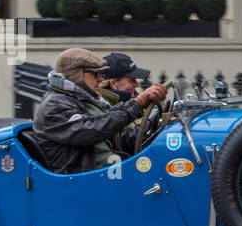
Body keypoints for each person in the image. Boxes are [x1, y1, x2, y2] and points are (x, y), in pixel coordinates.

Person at [31, 48, 166, 174]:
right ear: (78, 75)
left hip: (106, 175)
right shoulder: (54, 106)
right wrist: (137, 104)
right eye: (95, 74)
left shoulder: (82, 100)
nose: (100, 79)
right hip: (85, 182)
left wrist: (155, 124)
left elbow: (119, 136)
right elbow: (91, 130)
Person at [98, 51, 152, 157]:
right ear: (113, 83)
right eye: (132, 80)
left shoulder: (132, 101)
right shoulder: (101, 107)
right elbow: (126, 141)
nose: (137, 85)